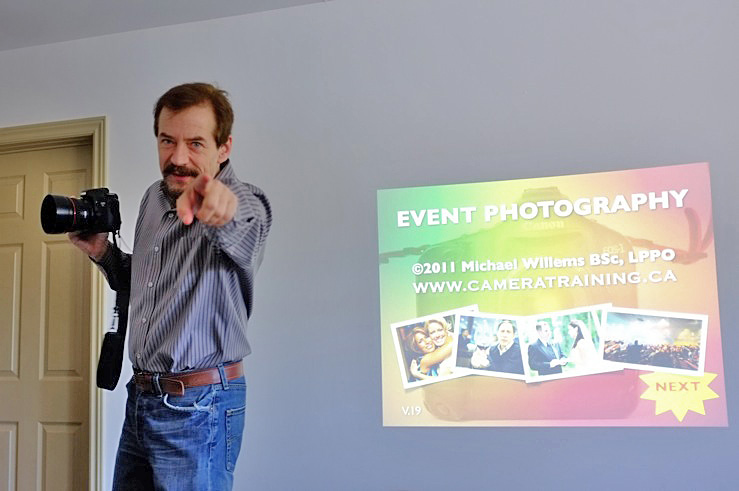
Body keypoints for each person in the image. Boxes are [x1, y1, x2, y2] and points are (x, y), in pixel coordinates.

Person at [69, 83, 271, 490]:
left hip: (199, 407)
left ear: (224, 148)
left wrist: (218, 204)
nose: (178, 158)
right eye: (167, 141)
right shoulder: (152, 199)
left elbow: (244, 221)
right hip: (141, 400)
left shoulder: (244, 199)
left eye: (195, 143)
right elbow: (145, 283)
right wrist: (102, 251)